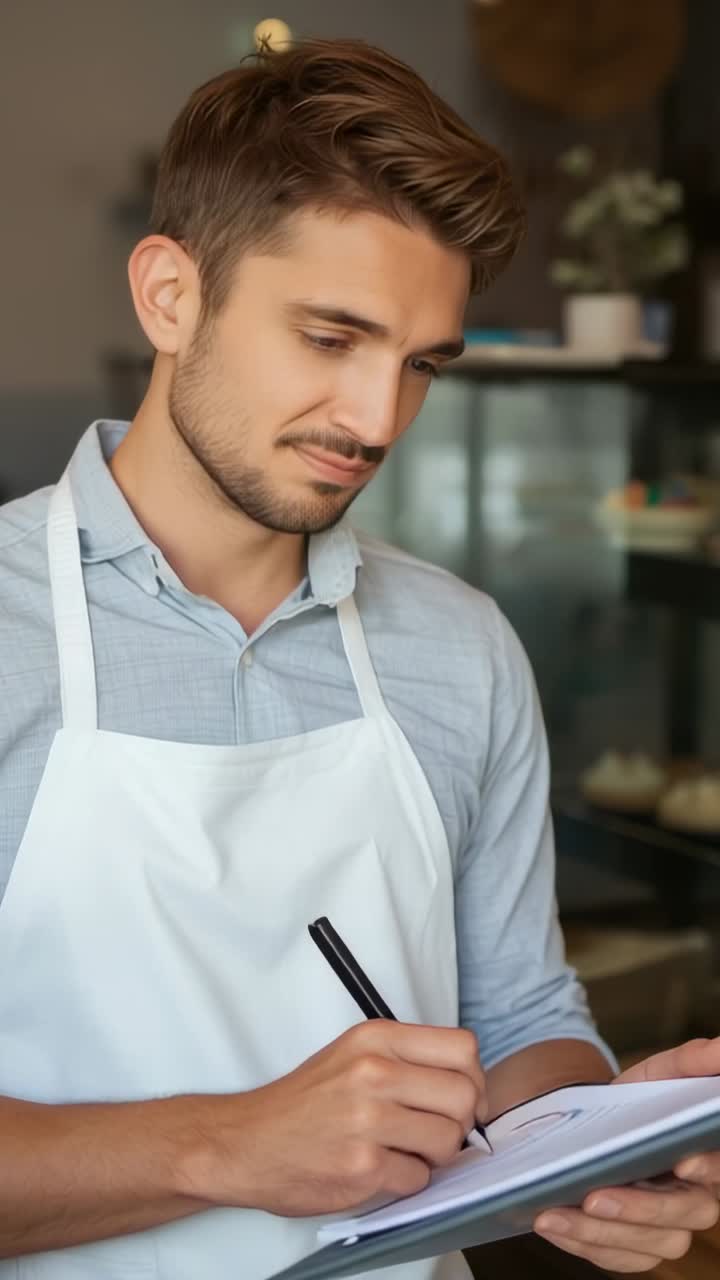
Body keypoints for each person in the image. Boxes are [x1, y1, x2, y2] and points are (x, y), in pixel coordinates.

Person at [0, 36, 718, 1280]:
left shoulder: (459, 645)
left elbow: (528, 1023)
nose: (376, 420)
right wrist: (226, 1144)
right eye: (332, 338)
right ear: (171, 294)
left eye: (421, 364)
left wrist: (594, 1141)